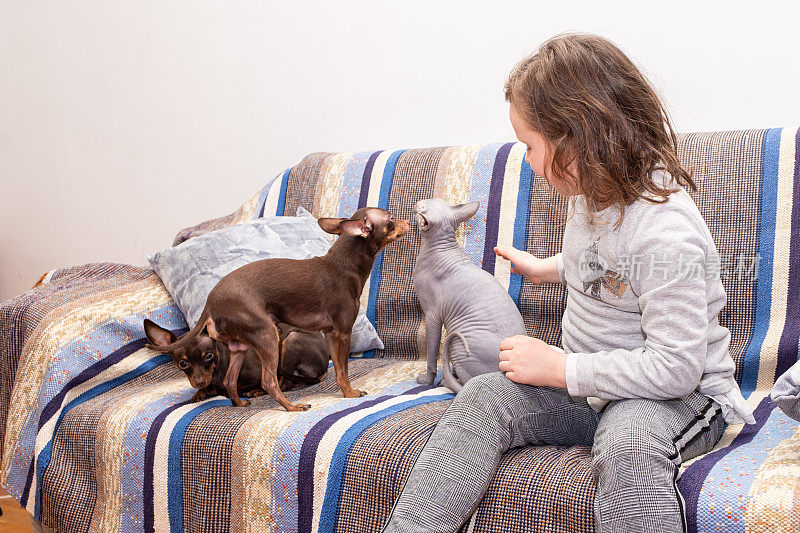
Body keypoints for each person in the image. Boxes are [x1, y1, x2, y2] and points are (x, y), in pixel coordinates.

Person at [382, 33, 755, 533]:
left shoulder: (667, 233)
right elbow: (608, 266)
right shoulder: (592, 194)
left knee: (630, 445)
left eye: (530, 147)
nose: (530, 164)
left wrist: (561, 368)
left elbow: (675, 368)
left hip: (678, 396)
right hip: (591, 392)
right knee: (484, 398)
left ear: (579, 137)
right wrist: (545, 267)